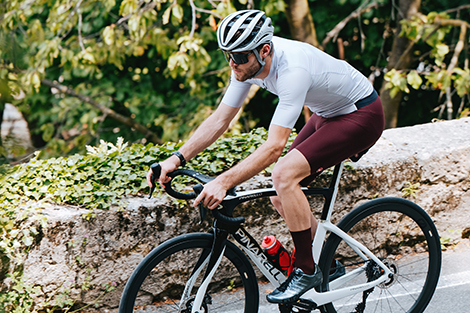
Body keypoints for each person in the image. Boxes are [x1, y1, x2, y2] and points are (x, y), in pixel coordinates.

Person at [147, 9, 385, 304]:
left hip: (361, 116)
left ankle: (307, 270)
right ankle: (327, 263)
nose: (233, 63)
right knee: (279, 194)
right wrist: (176, 159)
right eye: (228, 55)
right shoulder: (246, 65)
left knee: (284, 175)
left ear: (264, 50)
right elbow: (221, 119)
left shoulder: (292, 70)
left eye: (240, 56)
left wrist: (223, 182)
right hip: (329, 114)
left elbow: (274, 148)